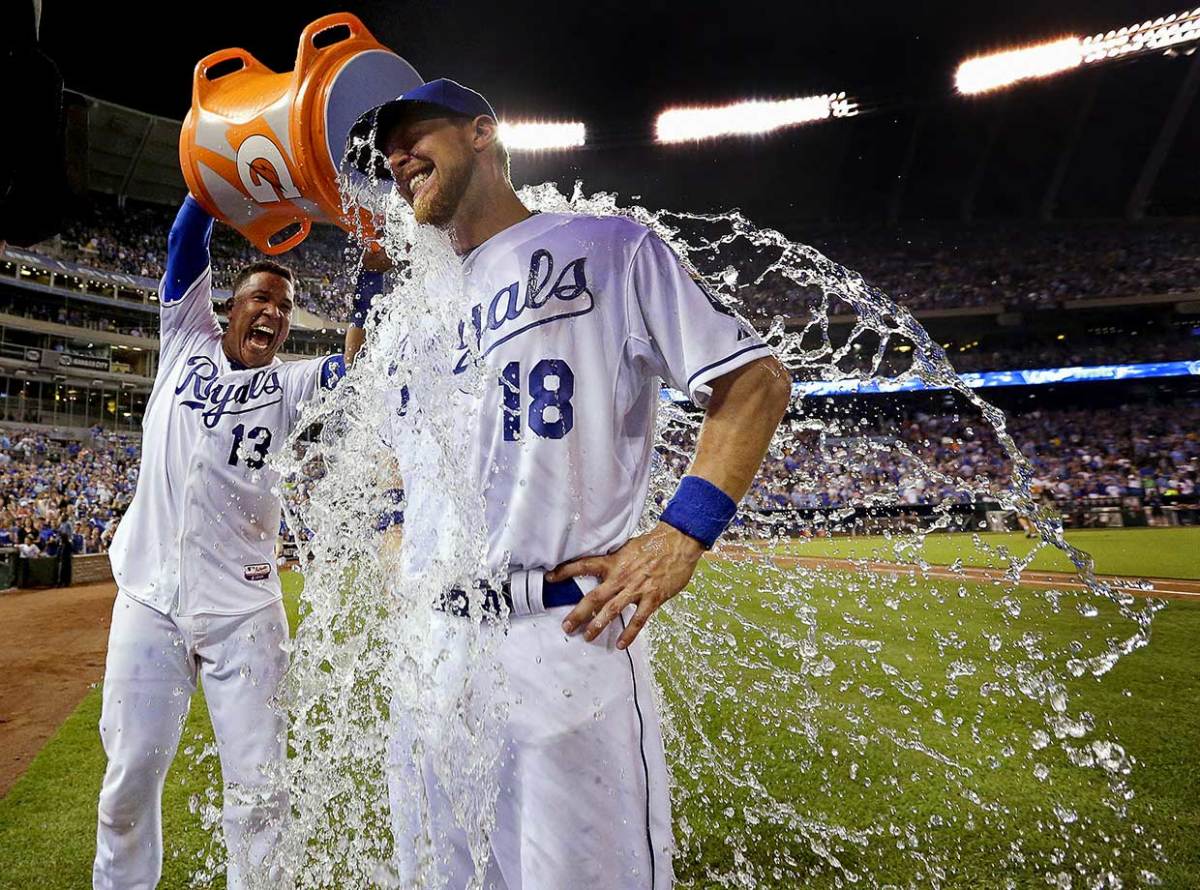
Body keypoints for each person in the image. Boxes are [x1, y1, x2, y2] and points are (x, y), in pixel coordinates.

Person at [352, 79, 792, 889]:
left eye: (415, 132)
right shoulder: (414, 313)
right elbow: (390, 464)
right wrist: (395, 548)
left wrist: (680, 534)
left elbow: (755, 383)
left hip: (564, 641)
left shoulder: (607, 246)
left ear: (483, 132)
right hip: (434, 656)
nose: (396, 157)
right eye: (386, 151)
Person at [93, 194, 345, 890]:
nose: (273, 312)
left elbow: (356, 366)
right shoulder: (185, 338)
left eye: (285, 307)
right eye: (261, 298)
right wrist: (214, 176)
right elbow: (184, 238)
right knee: (128, 782)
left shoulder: (289, 384)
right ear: (228, 308)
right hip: (149, 600)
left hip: (245, 614)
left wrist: (375, 299)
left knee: (262, 797)